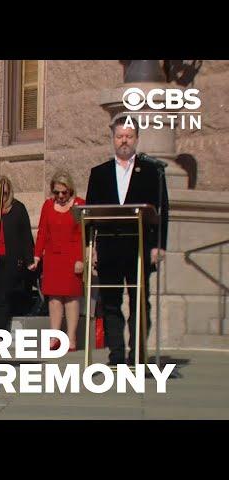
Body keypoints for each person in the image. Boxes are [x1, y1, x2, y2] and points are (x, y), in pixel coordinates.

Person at [86, 116, 169, 365]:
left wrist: (159, 245)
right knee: (110, 302)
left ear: (136, 139)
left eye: (129, 136)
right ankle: (117, 354)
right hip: (109, 245)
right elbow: (89, 214)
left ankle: (138, 353)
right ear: (112, 138)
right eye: (120, 136)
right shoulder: (99, 173)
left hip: (139, 246)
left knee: (140, 301)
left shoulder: (152, 171)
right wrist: (91, 248)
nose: (124, 141)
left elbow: (162, 210)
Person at [29, 170, 85, 352]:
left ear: (70, 190)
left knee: (71, 297)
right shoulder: (47, 206)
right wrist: (37, 256)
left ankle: (71, 338)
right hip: (53, 256)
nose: (60, 196)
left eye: (64, 192)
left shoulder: (79, 205)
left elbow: (83, 234)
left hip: (72, 255)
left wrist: (81, 259)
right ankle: (54, 337)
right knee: (54, 298)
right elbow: (43, 232)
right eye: (56, 192)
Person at [0, 176, 34, 332]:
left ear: (9, 193)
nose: (1, 197)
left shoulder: (18, 208)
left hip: (9, 259)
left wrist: (29, 259)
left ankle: (0, 334)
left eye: (4, 193)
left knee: (3, 298)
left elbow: (25, 236)